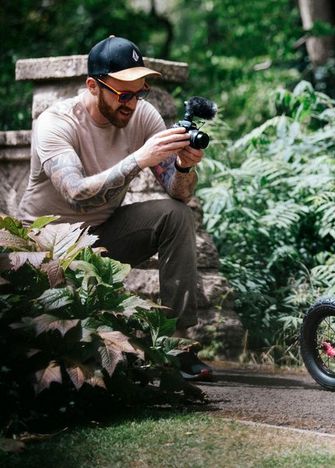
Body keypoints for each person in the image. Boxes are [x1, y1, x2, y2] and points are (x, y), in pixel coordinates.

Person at [18, 35, 213, 381]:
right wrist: (138, 159)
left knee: (177, 215)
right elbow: (75, 192)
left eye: (139, 93)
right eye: (123, 94)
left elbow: (179, 193)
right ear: (93, 86)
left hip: (101, 237)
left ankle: (177, 345)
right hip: (46, 246)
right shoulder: (55, 123)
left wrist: (184, 167)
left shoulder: (142, 115)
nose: (132, 104)